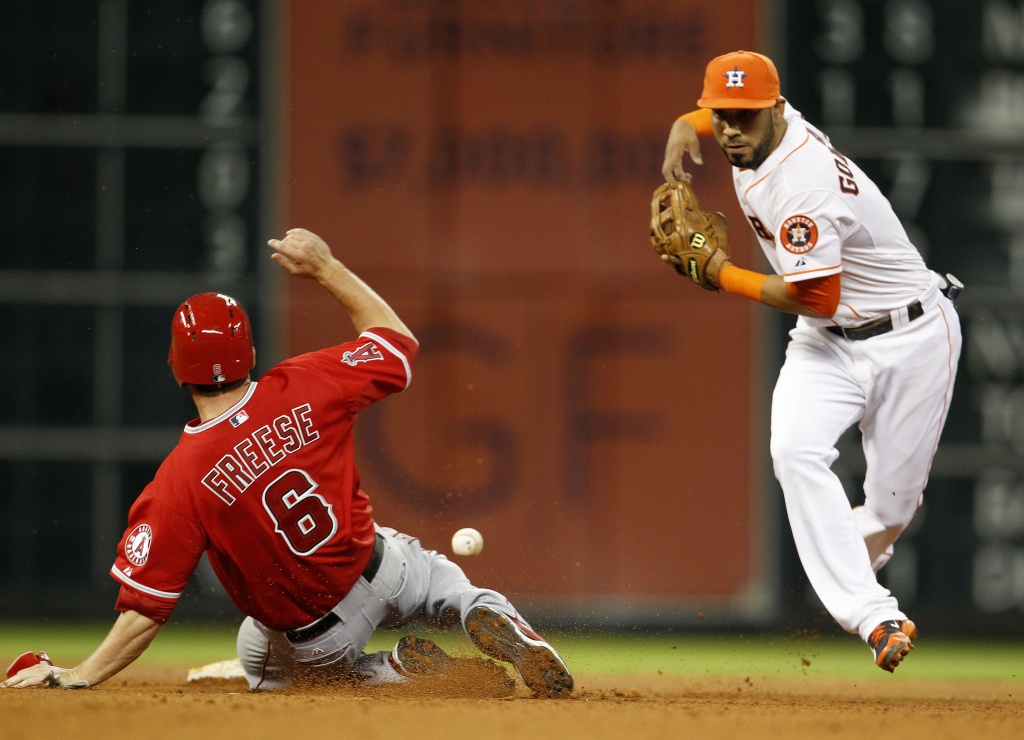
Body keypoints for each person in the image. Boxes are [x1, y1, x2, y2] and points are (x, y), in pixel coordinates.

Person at [2, 228, 573, 697]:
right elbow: (397, 344)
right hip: (381, 567)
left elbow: (144, 613)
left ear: (176, 366)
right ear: (248, 352)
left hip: (318, 638)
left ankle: (392, 671)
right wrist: (325, 267)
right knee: (444, 584)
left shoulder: (179, 479)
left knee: (271, 669)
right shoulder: (304, 383)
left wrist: (80, 673)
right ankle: (482, 612)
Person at [660, 51, 962, 671]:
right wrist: (681, 129)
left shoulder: (804, 183)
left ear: (775, 111)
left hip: (912, 338)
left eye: (744, 117)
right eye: (723, 115)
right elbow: (710, 118)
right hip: (826, 343)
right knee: (794, 452)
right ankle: (874, 616)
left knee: (890, 510)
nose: (731, 130)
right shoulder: (756, 128)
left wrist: (722, 274)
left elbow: (813, 294)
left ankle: (849, 566)